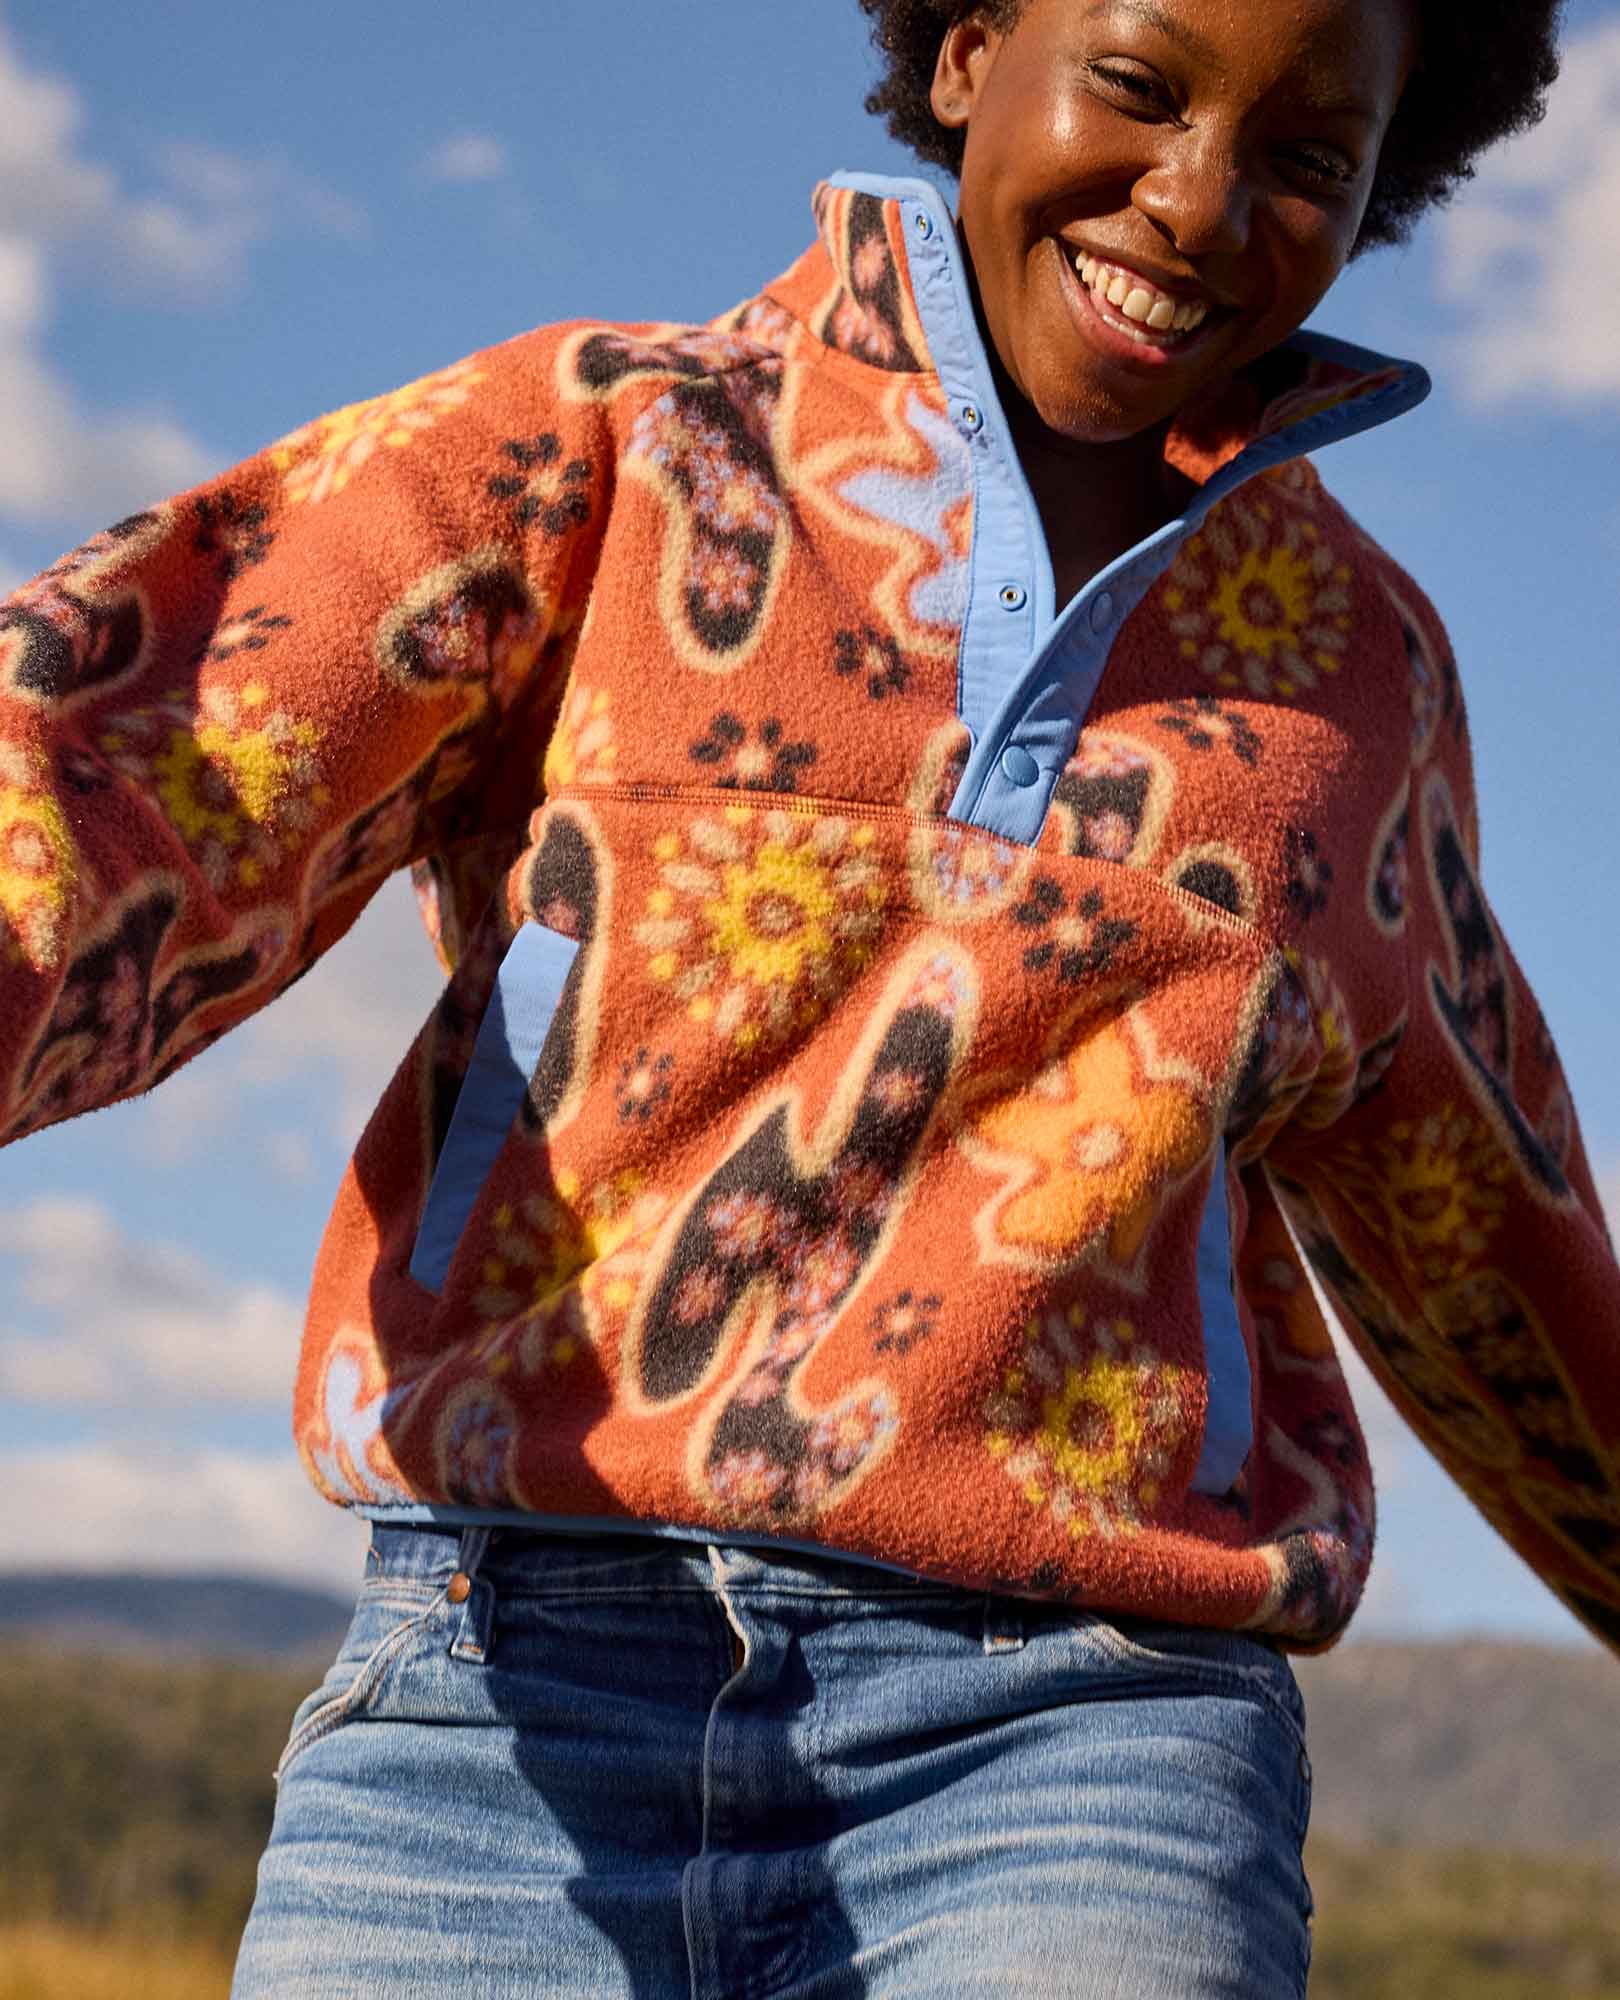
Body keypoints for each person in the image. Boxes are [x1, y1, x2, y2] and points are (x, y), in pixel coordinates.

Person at [2, 0, 1613, 1991]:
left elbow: (1499, 1234)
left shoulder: (1360, 674)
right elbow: (119, 771)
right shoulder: (598, 446)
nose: (1200, 202)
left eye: (1306, 160)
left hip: (1083, 1739)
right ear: (968, 48)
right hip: (495, 1697)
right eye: (1137, 85)